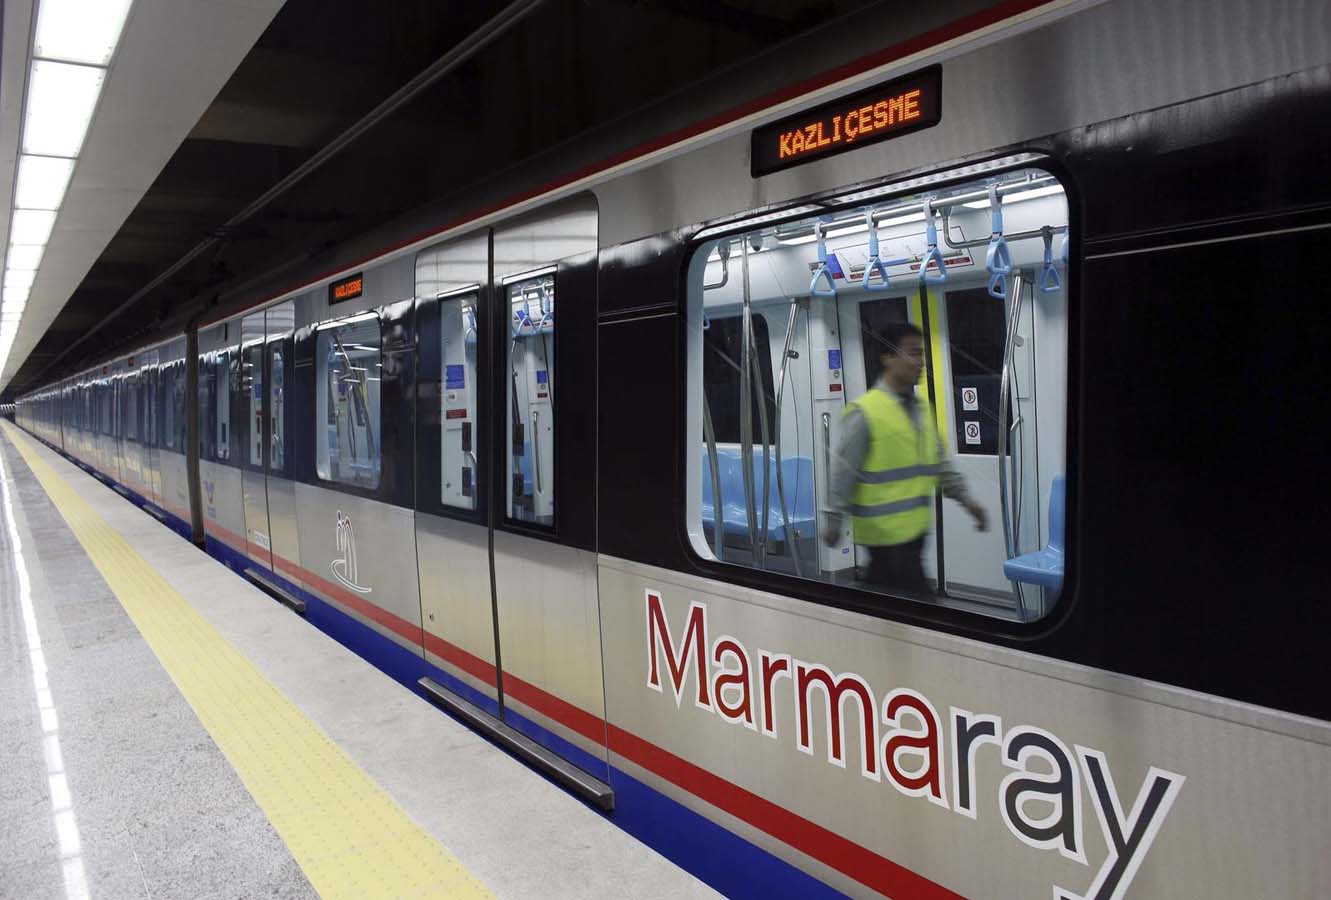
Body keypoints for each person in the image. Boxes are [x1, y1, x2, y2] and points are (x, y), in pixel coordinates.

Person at [822, 321, 987, 593]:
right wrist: (833, 521)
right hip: (884, 540)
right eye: (913, 352)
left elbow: (941, 465)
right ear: (887, 357)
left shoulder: (922, 410)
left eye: (922, 354)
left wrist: (968, 502)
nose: (920, 362)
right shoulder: (864, 412)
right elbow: (844, 472)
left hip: (914, 537)